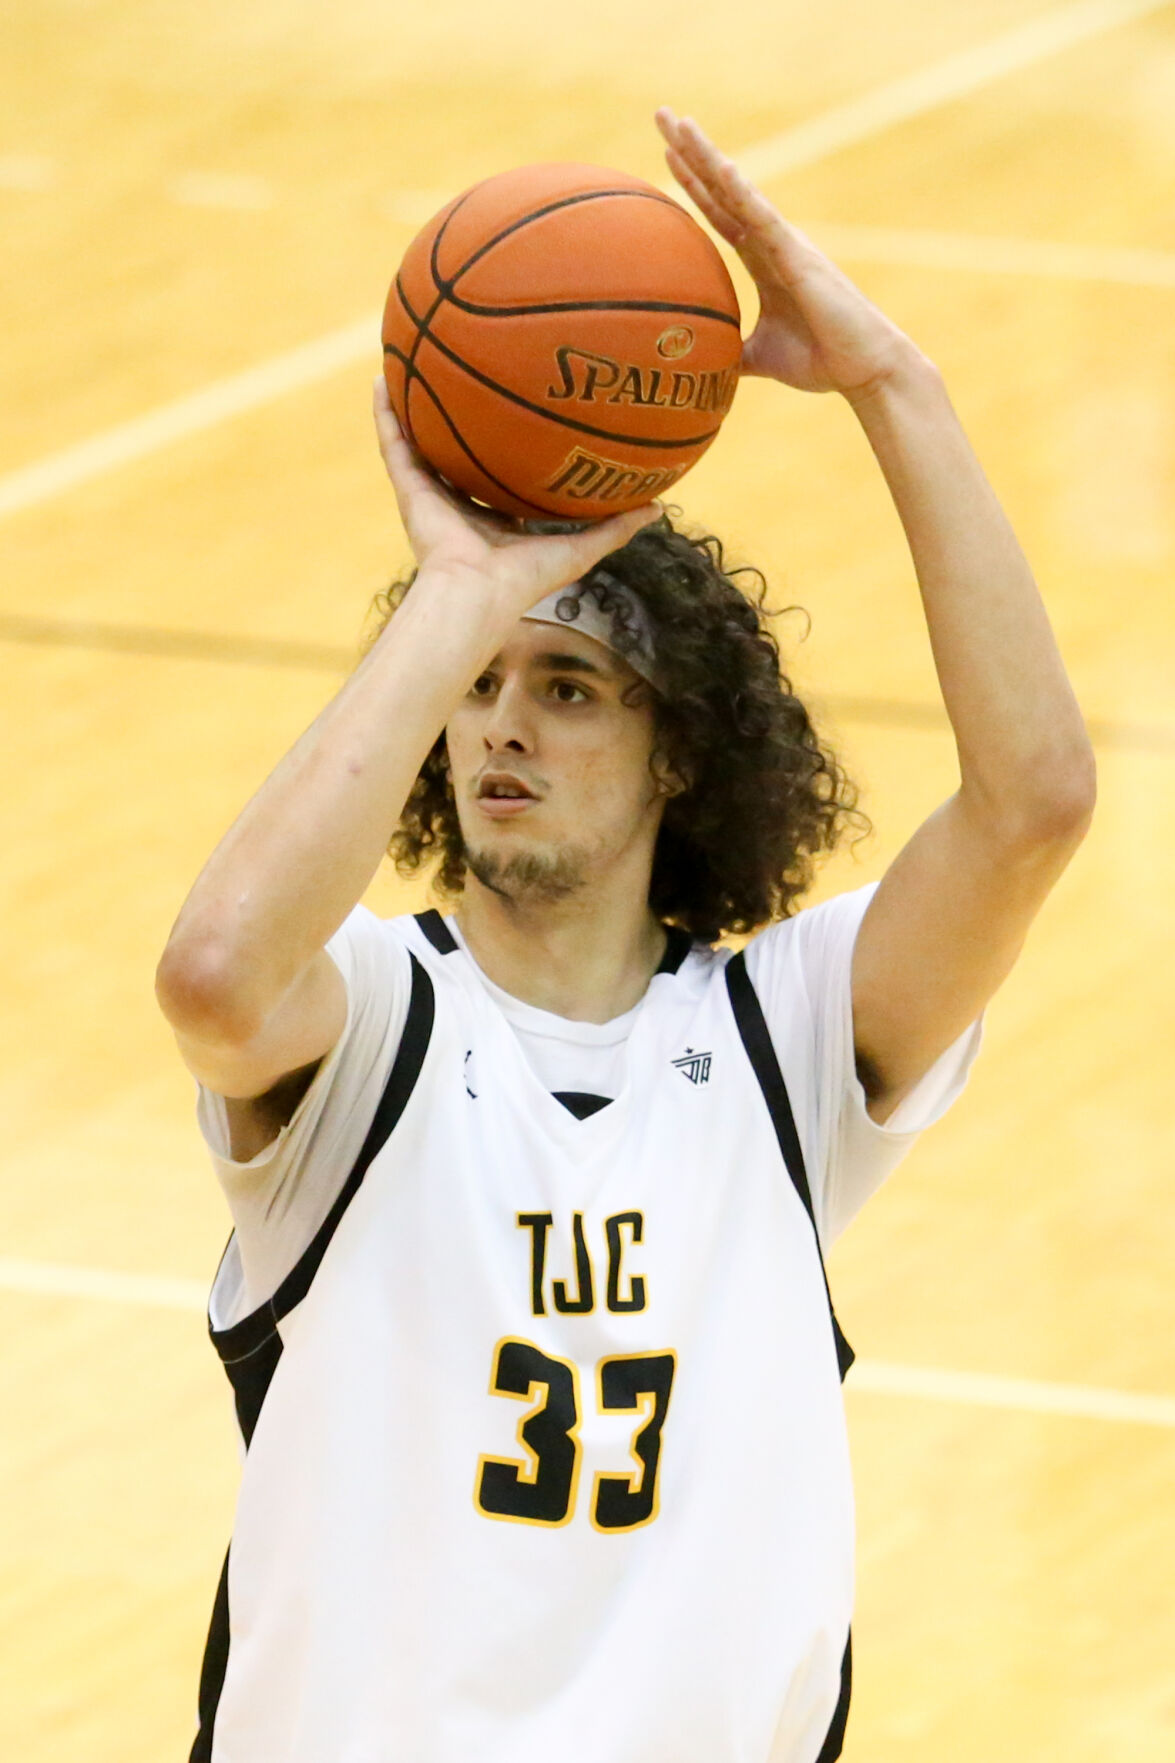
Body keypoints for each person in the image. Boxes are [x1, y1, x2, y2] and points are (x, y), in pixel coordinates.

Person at [156, 110, 1095, 1763]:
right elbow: (214, 973)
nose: (502, 725)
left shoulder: (781, 1043)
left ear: (680, 752)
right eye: (479, 690)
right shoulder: (373, 1023)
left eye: (569, 686)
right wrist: (466, 588)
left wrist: (894, 382)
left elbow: (1033, 803)